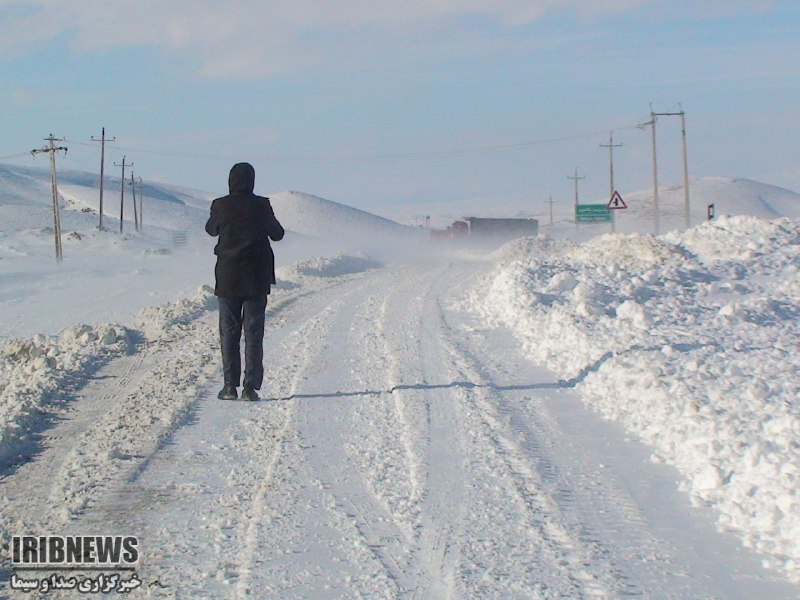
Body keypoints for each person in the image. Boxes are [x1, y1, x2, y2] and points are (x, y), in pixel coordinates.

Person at [205, 162, 284, 401]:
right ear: (252, 181)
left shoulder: (220, 205)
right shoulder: (262, 205)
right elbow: (277, 234)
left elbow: (210, 230)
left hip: (228, 276)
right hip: (256, 277)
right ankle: (250, 388)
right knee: (253, 331)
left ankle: (230, 386)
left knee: (228, 331)